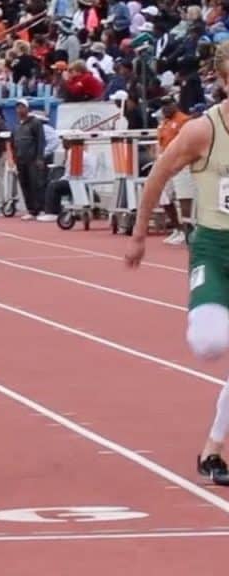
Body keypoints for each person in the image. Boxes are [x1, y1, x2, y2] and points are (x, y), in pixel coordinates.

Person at [125, 41, 229, 486]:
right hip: (214, 249)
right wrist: (139, 234)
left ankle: (213, 451)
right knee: (209, 344)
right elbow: (160, 173)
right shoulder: (203, 131)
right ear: (224, 80)